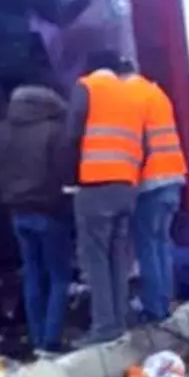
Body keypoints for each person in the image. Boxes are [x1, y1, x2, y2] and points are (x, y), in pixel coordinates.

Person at [64, 48, 146, 345]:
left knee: (95, 257)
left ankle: (103, 327)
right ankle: (119, 320)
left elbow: (73, 136)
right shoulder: (130, 95)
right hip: (126, 185)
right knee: (117, 255)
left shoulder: (87, 87)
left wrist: (70, 181)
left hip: (95, 184)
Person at [0, 83, 73, 355]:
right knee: (59, 276)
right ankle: (51, 340)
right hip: (49, 212)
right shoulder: (54, 131)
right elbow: (63, 172)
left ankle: (36, 338)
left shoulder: (0, 130)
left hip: (16, 212)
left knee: (32, 273)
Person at [131, 69, 187, 324]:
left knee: (148, 246)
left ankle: (153, 308)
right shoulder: (156, 93)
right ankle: (165, 301)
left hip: (151, 183)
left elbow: (136, 143)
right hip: (173, 177)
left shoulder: (131, 97)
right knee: (163, 243)